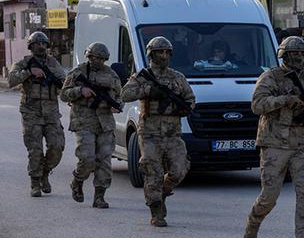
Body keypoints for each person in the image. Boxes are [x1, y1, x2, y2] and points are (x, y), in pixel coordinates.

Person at [242, 37, 304, 238]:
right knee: (269, 196)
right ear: (284, 56)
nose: (297, 58)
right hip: (274, 144)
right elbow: (257, 105)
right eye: (293, 54)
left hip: (300, 145)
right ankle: (253, 221)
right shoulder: (271, 77)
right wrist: (284, 100)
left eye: (301, 54)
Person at [120, 36, 196, 227]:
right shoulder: (142, 77)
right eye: (159, 52)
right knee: (152, 170)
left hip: (172, 134)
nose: (163, 56)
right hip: (150, 133)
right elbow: (125, 94)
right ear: (151, 55)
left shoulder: (177, 78)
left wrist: (183, 108)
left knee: (179, 170)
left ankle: (162, 191)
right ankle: (156, 210)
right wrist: (147, 91)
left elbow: (190, 99)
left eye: (166, 52)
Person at [59, 42, 122, 208]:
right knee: (87, 158)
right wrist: (80, 91)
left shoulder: (112, 75)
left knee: (105, 161)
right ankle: (77, 181)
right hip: (83, 121)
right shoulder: (77, 72)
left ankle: (99, 196)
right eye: (95, 57)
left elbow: (119, 98)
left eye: (102, 59)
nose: (98, 61)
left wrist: (116, 105)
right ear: (89, 56)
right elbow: (64, 95)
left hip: (105, 123)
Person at [7, 32, 66, 197]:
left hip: (51, 113)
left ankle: (45, 172)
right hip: (31, 113)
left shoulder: (53, 63)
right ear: (31, 47)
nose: (40, 46)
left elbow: (64, 81)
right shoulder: (23, 63)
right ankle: (35, 182)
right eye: (37, 44)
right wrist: (29, 72)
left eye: (43, 44)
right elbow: (11, 80)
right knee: (35, 150)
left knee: (57, 146)